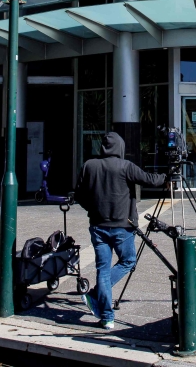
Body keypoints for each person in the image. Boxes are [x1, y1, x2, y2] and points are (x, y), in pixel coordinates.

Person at [74, 132, 167, 330]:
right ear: (121, 148)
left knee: (103, 269)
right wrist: (168, 175)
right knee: (128, 261)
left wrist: (91, 209)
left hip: (98, 226)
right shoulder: (126, 167)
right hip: (122, 227)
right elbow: (150, 180)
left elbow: (79, 194)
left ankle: (107, 317)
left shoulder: (89, 166)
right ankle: (94, 295)